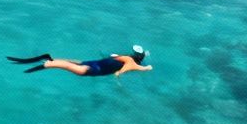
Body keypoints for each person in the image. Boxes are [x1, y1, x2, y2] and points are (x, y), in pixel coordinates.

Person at [8, 46, 150, 77]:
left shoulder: (122, 55)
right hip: (93, 70)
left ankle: (49, 59)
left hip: (93, 63)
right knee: (63, 66)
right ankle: (48, 62)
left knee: (73, 62)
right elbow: (127, 68)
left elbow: (111, 55)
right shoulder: (132, 63)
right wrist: (148, 67)